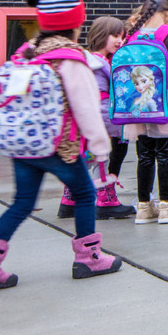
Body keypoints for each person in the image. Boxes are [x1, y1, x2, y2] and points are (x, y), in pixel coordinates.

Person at [0, 0, 122, 287]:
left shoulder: (27, 53)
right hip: (57, 145)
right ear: (76, 23)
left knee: (22, 203)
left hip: (22, 144)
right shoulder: (71, 58)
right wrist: (101, 146)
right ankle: (89, 259)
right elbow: (86, 107)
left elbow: (5, 97)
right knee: (85, 193)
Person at [118, 0, 168, 226]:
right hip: (164, 102)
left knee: (144, 155)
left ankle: (143, 208)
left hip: (136, 107)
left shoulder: (132, 36)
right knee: (164, 155)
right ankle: (166, 207)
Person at [68, 15, 133, 220]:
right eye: (115, 35)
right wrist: (118, 126)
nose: (119, 40)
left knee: (87, 158)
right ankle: (105, 200)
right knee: (102, 157)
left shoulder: (87, 60)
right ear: (101, 35)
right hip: (102, 117)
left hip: (88, 118)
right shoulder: (99, 62)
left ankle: (70, 199)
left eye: (121, 36)